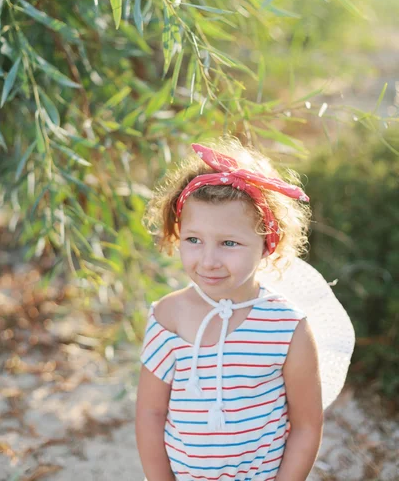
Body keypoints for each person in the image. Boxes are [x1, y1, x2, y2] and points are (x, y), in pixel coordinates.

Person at [135, 137, 343, 481]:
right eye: (193, 240)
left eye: (229, 243)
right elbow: (150, 413)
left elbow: (307, 425)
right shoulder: (167, 318)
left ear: (267, 243)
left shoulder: (287, 327)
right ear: (178, 234)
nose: (208, 260)